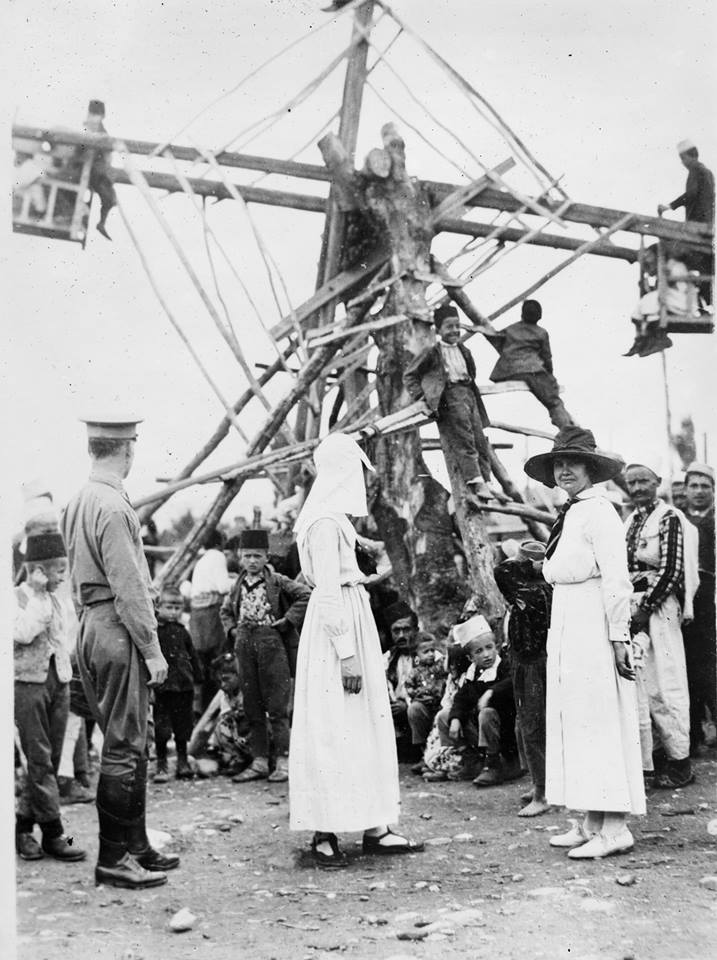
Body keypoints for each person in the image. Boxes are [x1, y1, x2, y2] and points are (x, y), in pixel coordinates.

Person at [289, 433, 423, 866]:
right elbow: (327, 592)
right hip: (336, 629)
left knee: (364, 723)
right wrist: (346, 652)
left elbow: (348, 570)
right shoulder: (325, 523)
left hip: (351, 615)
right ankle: (324, 831)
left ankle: (375, 825)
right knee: (333, 725)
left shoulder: (335, 520)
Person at [61, 415, 176, 889]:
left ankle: (135, 845)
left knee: (128, 739)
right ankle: (113, 858)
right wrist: (151, 649)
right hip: (118, 625)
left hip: (92, 622)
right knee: (126, 745)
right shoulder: (111, 505)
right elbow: (129, 587)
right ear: (126, 448)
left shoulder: (78, 501)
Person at [523, 426, 645, 859]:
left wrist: (618, 636)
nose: (564, 471)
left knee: (600, 717)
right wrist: (547, 561)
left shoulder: (600, 511)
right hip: (571, 620)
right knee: (578, 718)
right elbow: (568, 566)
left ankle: (615, 827)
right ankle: (592, 820)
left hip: (594, 623)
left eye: (573, 463)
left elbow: (616, 578)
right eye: (558, 464)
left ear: (591, 469)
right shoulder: (572, 512)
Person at [14, 532, 87, 863]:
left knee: (52, 759)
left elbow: (66, 638)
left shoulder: (60, 599)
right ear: (37, 570)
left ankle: (23, 826)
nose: (62, 576)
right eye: (57, 570)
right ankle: (56, 833)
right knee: (39, 759)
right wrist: (41, 594)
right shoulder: (16, 598)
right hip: (28, 685)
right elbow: (24, 632)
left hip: (59, 682)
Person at [623, 463, 698, 788]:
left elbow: (671, 569)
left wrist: (646, 608)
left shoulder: (668, 518)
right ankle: (649, 763)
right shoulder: (632, 520)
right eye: (632, 483)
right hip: (633, 606)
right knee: (638, 685)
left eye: (643, 481)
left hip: (659, 609)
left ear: (657, 482)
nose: (638, 487)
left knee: (665, 683)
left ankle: (680, 761)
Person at [220, 528, 310, 783]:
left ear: (266, 557)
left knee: (277, 707)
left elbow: (304, 594)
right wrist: (233, 630)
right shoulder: (237, 585)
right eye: (247, 555)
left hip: (271, 643)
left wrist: (287, 621)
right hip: (244, 644)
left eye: (258, 556)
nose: (252, 561)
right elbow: (225, 611)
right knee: (252, 705)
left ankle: (282, 761)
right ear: (240, 556)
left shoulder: (277, 580)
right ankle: (259, 761)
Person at [404, 303, 493, 499]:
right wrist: (422, 396)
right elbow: (410, 375)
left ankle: (488, 481)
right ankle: (476, 482)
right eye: (449, 327)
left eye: (456, 326)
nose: (454, 331)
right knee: (465, 439)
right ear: (438, 330)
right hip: (450, 396)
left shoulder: (464, 350)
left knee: (479, 438)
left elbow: (472, 371)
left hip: (469, 394)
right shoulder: (433, 352)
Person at [494, 540, 552, 816]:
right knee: (528, 726)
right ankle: (541, 784)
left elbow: (502, 570)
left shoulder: (535, 591)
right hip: (527, 659)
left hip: (532, 662)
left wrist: (526, 559)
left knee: (532, 726)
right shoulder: (538, 587)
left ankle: (542, 792)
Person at [447, 618, 519, 787]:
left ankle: (494, 764)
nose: (486, 654)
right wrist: (455, 719)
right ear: (470, 657)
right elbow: (461, 698)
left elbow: (512, 682)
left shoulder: (504, 667)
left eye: (489, 648)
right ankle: (472, 761)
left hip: (505, 731)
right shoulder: (473, 674)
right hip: (482, 730)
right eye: (479, 651)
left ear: (496, 647)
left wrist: (491, 692)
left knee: (486, 713)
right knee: (447, 715)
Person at [487, 300, 575, 428]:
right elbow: (547, 357)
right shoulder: (541, 333)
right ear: (539, 315)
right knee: (553, 402)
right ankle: (568, 430)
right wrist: (550, 376)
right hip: (533, 371)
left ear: (522, 314)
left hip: (508, 372)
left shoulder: (510, 329)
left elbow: (496, 338)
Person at [682, 462, 717, 753]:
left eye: (705, 486)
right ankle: (692, 736)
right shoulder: (678, 521)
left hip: (714, 600)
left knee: (712, 668)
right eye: (694, 486)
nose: (699, 491)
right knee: (689, 668)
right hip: (689, 601)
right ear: (685, 490)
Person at [152, 587, 203, 783]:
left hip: (183, 686)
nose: (174, 612)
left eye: (177, 607)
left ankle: (182, 762)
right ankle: (162, 764)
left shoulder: (183, 632)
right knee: (162, 727)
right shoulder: (155, 632)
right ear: (159, 607)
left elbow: (193, 655)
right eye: (169, 607)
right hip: (163, 688)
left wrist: (197, 677)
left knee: (183, 726)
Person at [658, 140, 714, 306]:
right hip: (707, 226)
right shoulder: (708, 173)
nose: (682, 163)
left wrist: (669, 206)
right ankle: (706, 303)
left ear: (692, 156)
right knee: (703, 266)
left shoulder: (695, 170)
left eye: (683, 158)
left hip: (696, 226)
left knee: (672, 250)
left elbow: (690, 194)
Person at [188, 654, 252, 777]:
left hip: (253, 734)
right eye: (220, 681)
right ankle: (238, 758)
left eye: (226, 679)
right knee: (222, 723)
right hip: (240, 736)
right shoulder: (226, 694)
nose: (222, 685)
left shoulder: (248, 691)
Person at [188, 529, 232, 712]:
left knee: (202, 664)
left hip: (196, 614)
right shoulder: (217, 556)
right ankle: (214, 709)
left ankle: (199, 710)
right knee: (217, 661)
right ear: (219, 542)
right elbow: (223, 587)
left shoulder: (203, 559)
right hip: (210, 614)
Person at [404, 636, 446, 767]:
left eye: (432, 650)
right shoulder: (415, 672)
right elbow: (409, 688)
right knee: (414, 709)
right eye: (426, 652)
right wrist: (420, 694)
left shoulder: (439, 667)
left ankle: (442, 757)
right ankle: (424, 755)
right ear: (416, 656)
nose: (431, 654)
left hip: (440, 704)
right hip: (425, 706)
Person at [83, 100, 117, 240]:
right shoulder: (87, 127)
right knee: (108, 195)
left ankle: (101, 223)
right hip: (88, 167)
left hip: (97, 168)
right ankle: (100, 223)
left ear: (102, 116)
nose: (94, 117)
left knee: (110, 198)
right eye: (92, 114)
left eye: (97, 115)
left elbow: (108, 155)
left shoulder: (103, 132)